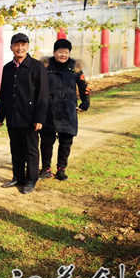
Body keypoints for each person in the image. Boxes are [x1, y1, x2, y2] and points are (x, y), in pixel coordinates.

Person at [0, 33, 49, 194]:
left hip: (30, 118)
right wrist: (0, 116)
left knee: (31, 150)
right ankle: (18, 177)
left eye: (23, 44)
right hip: (13, 116)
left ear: (28, 46)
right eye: (17, 45)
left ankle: (31, 180)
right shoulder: (8, 68)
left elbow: (43, 95)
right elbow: (4, 93)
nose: (20, 48)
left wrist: (39, 118)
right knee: (16, 148)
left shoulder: (37, 67)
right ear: (11, 47)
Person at [39, 38, 90, 181]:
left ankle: (61, 169)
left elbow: (83, 85)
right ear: (54, 52)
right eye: (60, 52)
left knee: (66, 141)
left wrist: (85, 102)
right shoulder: (45, 66)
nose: (63, 55)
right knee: (46, 141)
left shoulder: (75, 67)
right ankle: (46, 169)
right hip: (48, 110)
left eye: (66, 52)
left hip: (68, 110)